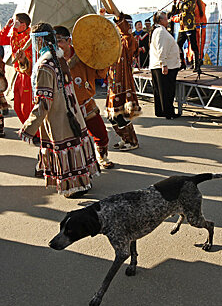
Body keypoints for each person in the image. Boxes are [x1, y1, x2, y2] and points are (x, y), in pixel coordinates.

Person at [18, 22, 99, 198]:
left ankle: (75, 186)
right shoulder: (59, 59)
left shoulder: (45, 66)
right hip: (72, 114)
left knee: (67, 148)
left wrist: (28, 128)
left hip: (59, 118)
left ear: (38, 42)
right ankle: (83, 181)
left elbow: (43, 103)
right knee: (75, 146)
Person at [53, 25, 114, 169]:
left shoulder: (83, 55)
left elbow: (100, 73)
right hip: (64, 106)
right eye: (54, 42)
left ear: (69, 41)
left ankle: (102, 157)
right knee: (67, 139)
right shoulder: (52, 58)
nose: (57, 45)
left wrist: (104, 57)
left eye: (60, 41)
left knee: (101, 134)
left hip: (85, 103)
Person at [106, 14, 142, 151]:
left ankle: (132, 141)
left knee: (120, 115)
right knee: (111, 116)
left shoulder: (129, 41)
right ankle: (124, 138)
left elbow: (126, 35)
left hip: (123, 83)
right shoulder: (115, 42)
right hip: (113, 84)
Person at [0, 13, 34, 131]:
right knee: (17, 106)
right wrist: (8, 27)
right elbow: (1, 39)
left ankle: (35, 132)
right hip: (19, 74)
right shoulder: (15, 35)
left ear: (23, 24)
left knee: (27, 107)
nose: (15, 24)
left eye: (17, 22)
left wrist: (13, 29)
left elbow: (21, 46)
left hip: (28, 74)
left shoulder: (30, 37)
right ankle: (28, 128)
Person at [149, 11, 182, 119]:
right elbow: (161, 49)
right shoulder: (161, 32)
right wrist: (163, 64)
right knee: (166, 90)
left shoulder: (158, 31)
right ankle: (168, 112)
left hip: (159, 65)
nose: (167, 21)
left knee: (160, 90)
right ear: (161, 20)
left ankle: (161, 111)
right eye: (165, 19)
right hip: (165, 65)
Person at [169, 0, 200, 72]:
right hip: (182, 27)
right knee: (178, 45)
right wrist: (175, 3)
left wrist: (181, 2)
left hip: (190, 26)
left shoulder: (192, 0)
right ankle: (182, 63)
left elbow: (188, 9)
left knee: (193, 45)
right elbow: (174, 11)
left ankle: (196, 65)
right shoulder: (180, 1)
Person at [187, 0, 207, 69]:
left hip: (195, 27)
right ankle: (198, 61)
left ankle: (195, 63)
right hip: (202, 27)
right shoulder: (201, 2)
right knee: (199, 46)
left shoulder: (192, 3)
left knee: (193, 46)